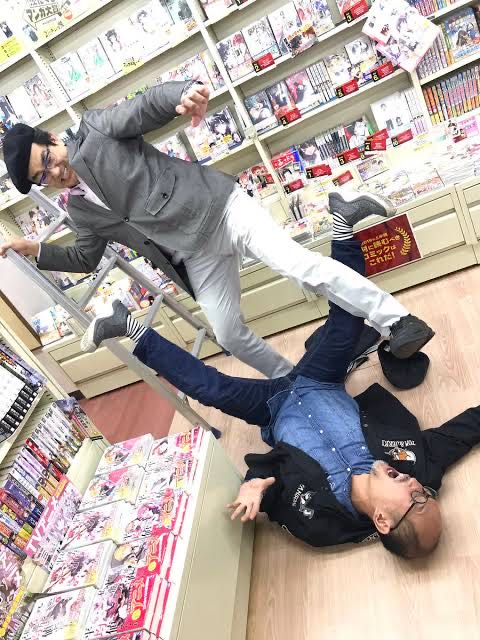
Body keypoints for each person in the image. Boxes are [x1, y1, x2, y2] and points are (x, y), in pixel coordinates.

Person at [79, 202, 480, 560]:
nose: (416, 485)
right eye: (426, 492)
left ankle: (127, 327)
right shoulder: (420, 466)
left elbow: (271, 483)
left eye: (417, 500)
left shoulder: (321, 524)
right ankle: (344, 223)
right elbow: (463, 432)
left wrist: (254, 486)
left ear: (382, 521)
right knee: (348, 321)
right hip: (321, 382)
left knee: (209, 389)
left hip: (273, 408)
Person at [0, 82, 433, 379]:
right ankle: (292, 383)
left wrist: (182, 95)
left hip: (222, 209)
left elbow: (143, 106)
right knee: (227, 334)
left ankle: (398, 320)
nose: (54, 173)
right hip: (194, 257)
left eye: (48, 160)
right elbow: (84, 257)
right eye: (42, 177)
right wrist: (32, 248)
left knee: (301, 267)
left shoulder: (96, 131)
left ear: (53, 138)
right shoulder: (79, 211)